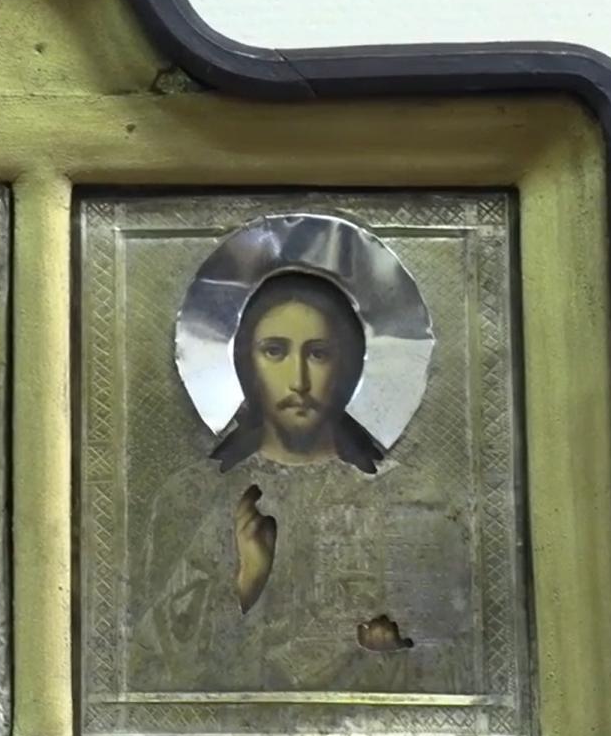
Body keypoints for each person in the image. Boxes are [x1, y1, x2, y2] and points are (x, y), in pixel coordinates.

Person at [129, 272, 463, 695]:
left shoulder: (409, 500)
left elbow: (455, 666)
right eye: (275, 351)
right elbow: (148, 675)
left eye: (319, 354)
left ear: (348, 366)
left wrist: (389, 657)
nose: (299, 380)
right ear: (245, 363)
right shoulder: (192, 498)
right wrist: (244, 584)